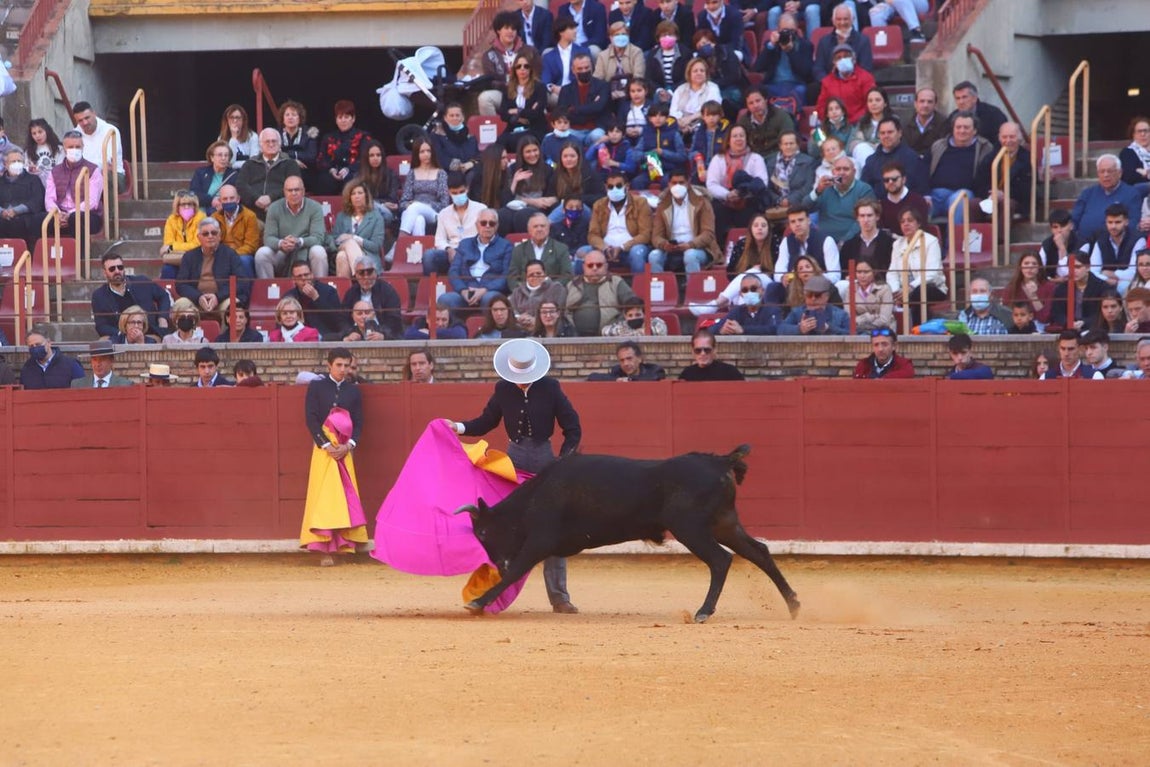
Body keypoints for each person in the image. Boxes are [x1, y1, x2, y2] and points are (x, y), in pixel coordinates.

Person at [448, 338, 583, 613]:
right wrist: (458, 427)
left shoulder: (550, 387)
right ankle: (489, 593)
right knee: (503, 529)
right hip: (513, 462)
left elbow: (573, 428)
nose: (520, 382)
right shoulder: (503, 388)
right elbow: (486, 421)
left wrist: (565, 461)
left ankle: (560, 598)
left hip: (545, 463)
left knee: (554, 528)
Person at [302, 347, 369, 566]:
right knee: (325, 498)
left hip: (344, 450)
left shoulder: (353, 391)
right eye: (338, 365)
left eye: (346, 366)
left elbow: (358, 422)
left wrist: (348, 445)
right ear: (328, 365)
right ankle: (324, 549)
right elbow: (311, 418)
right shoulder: (317, 387)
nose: (342, 370)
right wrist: (325, 444)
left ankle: (343, 544)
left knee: (344, 497)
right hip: (324, 451)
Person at [649, 169, 721, 275]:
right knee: (654, 256)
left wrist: (690, 244)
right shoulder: (663, 204)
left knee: (690, 255)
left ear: (688, 183)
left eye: (681, 183)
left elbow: (708, 234)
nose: (677, 186)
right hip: (671, 249)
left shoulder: (702, 202)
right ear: (669, 184)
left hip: (699, 248)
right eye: (674, 183)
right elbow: (656, 236)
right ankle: (659, 289)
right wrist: (665, 245)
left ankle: (692, 289)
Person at [254, 176, 327, 278]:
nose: (293, 193)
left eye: (297, 190)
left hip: (306, 251)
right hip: (282, 252)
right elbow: (268, 238)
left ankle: (321, 289)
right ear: (284, 192)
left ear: (303, 191)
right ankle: (267, 289)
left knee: (318, 251)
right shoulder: (274, 208)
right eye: (290, 190)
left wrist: (299, 241)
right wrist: (281, 243)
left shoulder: (315, 207)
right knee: (262, 253)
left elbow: (318, 238)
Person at [176, 217, 249, 316]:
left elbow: (241, 281)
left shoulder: (230, 254)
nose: (210, 236)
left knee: (233, 306)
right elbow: (181, 284)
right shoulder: (189, 256)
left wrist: (217, 297)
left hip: (222, 300)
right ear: (199, 237)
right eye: (205, 234)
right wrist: (198, 297)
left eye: (214, 233)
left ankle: (227, 332)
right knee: (180, 304)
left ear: (219, 236)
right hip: (196, 302)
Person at [928, 111, 993, 221]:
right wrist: (925, 194)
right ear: (953, 129)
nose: (962, 131)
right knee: (918, 207)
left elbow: (986, 176)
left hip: (964, 193)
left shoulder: (984, 148)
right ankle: (920, 238)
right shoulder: (938, 146)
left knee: (959, 201)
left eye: (966, 127)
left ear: (975, 131)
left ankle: (955, 239)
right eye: (958, 127)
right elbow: (923, 170)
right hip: (937, 194)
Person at [442, 210, 513, 311]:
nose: (487, 226)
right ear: (477, 225)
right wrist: (463, 290)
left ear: (497, 226)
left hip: (489, 291)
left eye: (491, 223)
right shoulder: (465, 244)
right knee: (445, 300)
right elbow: (454, 271)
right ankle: (457, 326)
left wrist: (484, 290)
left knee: (490, 299)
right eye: (483, 223)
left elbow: (507, 275)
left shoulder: (506, 246)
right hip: (467, 289)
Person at [887, 207, 946, 326]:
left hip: (932, 287)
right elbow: (892, 272)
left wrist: (910, 287)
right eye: (902, 221)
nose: (906, 224)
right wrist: (895, 291)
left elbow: (932, 273)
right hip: (903, 291)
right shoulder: (897, 244)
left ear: (918, 223)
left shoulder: (931, 241)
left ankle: (918, 330)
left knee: (918, 293)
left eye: (910, 220)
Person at [91, 251, 171, 339]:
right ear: (105, 273)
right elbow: (101, 326)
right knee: (102, 342)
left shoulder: (142, 282)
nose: (117, 271)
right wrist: (122, 334)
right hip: (120, 337)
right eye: (112, 269)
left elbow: (164, 296)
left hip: (148, 334)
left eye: (120, 267)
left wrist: (162, 317)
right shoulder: (99, 296)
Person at [705, 124, 768, 235]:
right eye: (735, 136)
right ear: (728, 140)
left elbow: (763, 182)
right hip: (724, 201)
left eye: (741, 136)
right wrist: (727, 194)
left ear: (746, 139)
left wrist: (741, 193)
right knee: (715, 210)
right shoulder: (718, 159)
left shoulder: (756, 158)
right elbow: (711, 184)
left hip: (748, 200)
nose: (738, 139)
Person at [587, 170, 651, 274]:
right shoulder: (598, 205)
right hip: (605, 249)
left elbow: (645, 235)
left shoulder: (640, 203)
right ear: (606, 188)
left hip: (631, 248)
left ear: (627, 186)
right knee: (582, 253)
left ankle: (639, 288)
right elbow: (592, 235)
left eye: (619, 186)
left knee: (637, 253)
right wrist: (604, 247)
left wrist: (622, 247)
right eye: (611, 187)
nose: (614, 189)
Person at [425, 171, 487, 276]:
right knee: (429, 256)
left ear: (467, 189)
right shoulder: (443, 214)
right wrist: (449, 249)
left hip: (473, 251)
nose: (458, 195)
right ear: (449, 192)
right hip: (452, 252)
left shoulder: (481, 209)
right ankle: (432, 288)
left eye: (461, 191)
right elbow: (439, 240)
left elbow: (485, 236)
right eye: (454, 193)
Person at [1070, 154, 1143, 243]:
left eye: (1110, 171)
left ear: (1120, 173)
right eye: (1102, 171)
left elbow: (1133, 222)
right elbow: (1074, 220)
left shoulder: (1131, 194)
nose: (1106, 175)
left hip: (1114, 244)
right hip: (1083, 243)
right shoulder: (1087, 193)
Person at [45, 130, 103, 239]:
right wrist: (58, 214)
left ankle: (80, 254)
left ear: (83, 147)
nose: (74, 150)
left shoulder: (93, 170)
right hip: (60, 213)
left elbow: (92, 201)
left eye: (78, 147)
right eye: (70, 147)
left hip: (87, 215)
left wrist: (70, 214)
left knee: (75, 219)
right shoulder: (55, 171)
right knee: (40, 219)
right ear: (64, 148)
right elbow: (49, 199)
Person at [235, 128, 302, 219]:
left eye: (274, 141)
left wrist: (271, 199)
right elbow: (241, 185)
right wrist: (256, 199)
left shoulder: (290, 164)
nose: (271, 144)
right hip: (252, 212)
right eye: (267, 142)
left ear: (279, 144)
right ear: (261, 145)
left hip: (281, 212)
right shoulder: (250, 164)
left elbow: (295, 188)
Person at [566, 248, 636, 335]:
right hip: (573, 336)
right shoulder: (572, 284)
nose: (594, 268)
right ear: (583, 267)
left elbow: (633, 305)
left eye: (599, 265)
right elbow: (563, 311)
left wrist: (617, 323)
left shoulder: (616, 282)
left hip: (609, 336)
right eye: (590, 265)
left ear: (606, 266)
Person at [808, 155, 874, 244]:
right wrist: (817, 190)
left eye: (846, 169)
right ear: (833, 172)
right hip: (825, 242)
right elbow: (806, 208)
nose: (842, 173)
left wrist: (844, 241)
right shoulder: (824, 188)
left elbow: (862, 221)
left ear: (854, 172)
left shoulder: (864, 189)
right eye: (838, 169)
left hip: (853, 242)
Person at [753, 12, 814, 108]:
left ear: (797, 30)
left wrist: (791, 52)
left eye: (792, 31)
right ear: (778, 30)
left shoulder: (805, 45)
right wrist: (771, 46)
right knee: (758, 92)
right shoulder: (772, 44)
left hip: (796, 84)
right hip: (774, 84)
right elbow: (758, 67)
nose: (789, 35)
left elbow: (806, 72)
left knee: (800, 92)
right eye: (785, 31)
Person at [500, 135, 559, 233]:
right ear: (521, 153)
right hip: (517, 210)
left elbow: (554, 194)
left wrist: (551, 199)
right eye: (528, 151)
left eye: (535, 150)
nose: (532, 154)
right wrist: (515, 181)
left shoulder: (548, 169)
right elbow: (507, 198)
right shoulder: (513, 169)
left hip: (541, 209)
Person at [329, 179, 386, 277]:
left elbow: (376, 246)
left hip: (368, 256)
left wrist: (355, 239)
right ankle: (363, 275)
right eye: (353, 194)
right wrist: (341, 240)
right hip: (344, 250)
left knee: (343, 255)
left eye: (360, 193)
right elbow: (333, 240)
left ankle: (345, 289)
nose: (357, 196)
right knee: (344, 250)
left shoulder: (376, 217)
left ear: (366, 196)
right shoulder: (341, 216)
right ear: (349, 197)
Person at [314, 100, 372, 196]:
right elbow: (321, 160)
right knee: (323, 181)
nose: (343, 120)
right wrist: (332, 170)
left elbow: (365, 159)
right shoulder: (328, 137)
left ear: (353, 119)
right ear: (336, 120)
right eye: (340, 117)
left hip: (354, 174)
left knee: (353, 181)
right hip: (333, 174)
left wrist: (347, 170)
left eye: (346, 117)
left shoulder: (363, 137)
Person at [860, 116, 929, 196]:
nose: (886, 136)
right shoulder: (871, 161)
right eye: (882, 133)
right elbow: (865, 188)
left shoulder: (911, 158)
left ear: (899, 133)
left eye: (890, 132)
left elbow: (918, 187)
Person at [1083, 204, 1146, 292]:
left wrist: (1110, 274)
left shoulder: (1138, 239)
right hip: (1106, 283)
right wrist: (1107, 280)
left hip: (1130, 283)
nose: (1113, 226)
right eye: (1110, 222)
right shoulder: (1101, 239)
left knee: (1123, 286)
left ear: (1126, 222)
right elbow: (1093, 271)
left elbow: (1134, 272)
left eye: (1117, 222)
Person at [477, 10, 527, 118]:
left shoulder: (528, 51)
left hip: (528, 91)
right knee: (484, 98)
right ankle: (496, 131)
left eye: (513, 29)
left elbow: (537, 73)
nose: (511, 32)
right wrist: (507, 84)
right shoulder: (489, 55)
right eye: (507, 28)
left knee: (553, 97)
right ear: (498, 30)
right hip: (504, 93)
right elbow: (491, 80)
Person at [339, 256, 403, 340]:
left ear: (376, 273)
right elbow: (343, 319)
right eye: (361, 273)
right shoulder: (351, 293)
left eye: (369, 272)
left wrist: (383, 335)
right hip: (356, 335)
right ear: (356, 276)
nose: (366, 277)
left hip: (381, 333)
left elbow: (394, 319)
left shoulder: (387, 291)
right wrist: (349, 334)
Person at [775, 205, 841, 284]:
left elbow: (835, 275)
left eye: (800, 220)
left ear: (809, 220)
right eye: (793, 222)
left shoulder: (826, 241)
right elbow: (778, 272)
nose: (797, 224)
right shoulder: (786, 241)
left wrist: (814, 276)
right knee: (773, 287)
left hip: (820, 287)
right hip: (793, 286)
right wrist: (782, 278)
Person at [557, 52, 611, 148]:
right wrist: (591, 107)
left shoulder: (603, 86)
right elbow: (562, 112)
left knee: (597, 136)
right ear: (573, 70)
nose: (584, 71)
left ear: (592, 67)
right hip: (574, 129)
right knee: (561, 136)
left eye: (587, 68)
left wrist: (574, 109)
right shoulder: (566, 90)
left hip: (596, 128)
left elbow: (599, 107)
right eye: (580, 69)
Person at [816, 44, 877, 125]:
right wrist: (833, 121)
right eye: (838, 58)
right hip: (835, 125)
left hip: (861, 123)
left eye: (846, 56)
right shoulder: (827, 82)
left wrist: (853, 121)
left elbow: (871, 103)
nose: (843, 59)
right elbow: (821, 107)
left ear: (854, 59)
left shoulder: (866, 78)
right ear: (834, 62)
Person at [509, 212, 573, 289]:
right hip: (525, 295)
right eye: (535, 226)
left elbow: (567, 275)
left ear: (548, 228)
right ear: (529, 230)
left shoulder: (561, 249)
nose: (539, 229)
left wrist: (550, 288)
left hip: (551, 294)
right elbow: (512, 278)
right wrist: (524, 290)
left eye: (542, 226)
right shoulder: (519, 250)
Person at [500, 52, 550, 149]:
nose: (522, 69)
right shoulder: (508, 88)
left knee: (519, 140)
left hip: (535, 128)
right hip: (514, 127)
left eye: (526, 66)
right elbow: (503, 113)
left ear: (531, 69)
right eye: (519, 66)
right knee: (499, 142)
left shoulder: (539, 87)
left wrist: (516, 111)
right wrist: (518, 117)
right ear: (514, 69)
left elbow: (536, 113)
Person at [71, 101, 125, 192]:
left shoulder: (111, 131)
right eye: (80, 120)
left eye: (87, 118)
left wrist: (82, 165)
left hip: (114, 176)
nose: (85, 123)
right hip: (84, 176)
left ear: (94, 114)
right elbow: (73, 160)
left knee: (104, 176)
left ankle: (108, 207)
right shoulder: (74, 134)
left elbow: (107, 161)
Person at [813, 3, 873, 84]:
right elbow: (818, 68)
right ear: (833, 21)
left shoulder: (863, 41)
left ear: (852, 20)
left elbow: (866, 68)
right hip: (830, 84)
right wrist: (829, 82)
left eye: (846, 19)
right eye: (839, 19)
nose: (842, 23)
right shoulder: (824, 41)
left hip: (855, 84)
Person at [285, 261, 345, 340]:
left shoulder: (329, 291)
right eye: (299, 276)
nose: (304, 278)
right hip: (299, 339)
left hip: (326, 337)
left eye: (306, 275)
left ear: (312, 275)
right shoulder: (289, 296)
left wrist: (316, 298)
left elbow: (337, 320)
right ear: (294, 279)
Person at [211, 184, 261, 276]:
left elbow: (251, 246)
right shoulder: (214, 217)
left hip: (242, 254)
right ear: (220, 201)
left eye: (231, 198)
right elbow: (212, 242)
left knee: (244, 261)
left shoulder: (250, 216)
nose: (228, 201)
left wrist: (232, 255)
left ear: (238, 199)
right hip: (221, 254)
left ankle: (246, 289)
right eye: (225, 199)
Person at [0, 147, 47, 246]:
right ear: (5, 164)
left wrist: (17, 210)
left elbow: (37, 200)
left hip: (26, 219)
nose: (17, 163)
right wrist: (2, 211)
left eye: (19, 161)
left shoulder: (33, 180)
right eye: (13, 161)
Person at [593, 21, 646, 109]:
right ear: (610, 38)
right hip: (609, 94)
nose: (620, 37)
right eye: (617, 35)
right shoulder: (603, 55)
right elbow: (597, 79)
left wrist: (627, 92)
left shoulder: (637, 52)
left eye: (623, 34)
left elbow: (638, 77)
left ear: (628, 36)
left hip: (631, 93)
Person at [1051, 251, 1108, 330]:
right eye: (1070, 267)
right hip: (1069, 330)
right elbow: (1057, 313)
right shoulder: (1062, 288)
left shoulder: (1102, 286)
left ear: (1088, 267)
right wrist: (1068, 323)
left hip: (1094, 329)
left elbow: (1102, 313)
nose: (1073, 271)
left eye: (1077, 267)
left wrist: (1084, 322)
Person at [840, 199, 893, 283]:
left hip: (882, 285)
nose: (866, 220)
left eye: (869, 215)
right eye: (862, 216)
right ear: (857, 218)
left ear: (877, 217)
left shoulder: (890, 243)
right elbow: (844, 271)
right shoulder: (849, 245)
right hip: (855, 286)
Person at [779, 274, 851, 334]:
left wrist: (829, 329)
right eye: (809, 295)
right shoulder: (797, 312)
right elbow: (780, 329)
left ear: (827, 297)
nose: (813, 299)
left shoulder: (840, 315)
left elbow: (852, 334)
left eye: (817, 295)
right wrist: (799, 329)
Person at [510, 259, 567, 334]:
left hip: (548, 332)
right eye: (531, 275)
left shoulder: (557, 289)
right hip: (521, 331)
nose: (535, 276)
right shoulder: (517, 292)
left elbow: (558, 313)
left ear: (545, 273)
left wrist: (536, 321)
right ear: (526, 276)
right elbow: (512, 311)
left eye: (538, 273)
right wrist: (520, 317)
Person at [542, 18, 590, 106]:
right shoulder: (548, 57)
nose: (575, 31)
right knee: (552, 97)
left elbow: (588, 77)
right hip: (557, 93)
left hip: (577, 91)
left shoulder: (584, 51)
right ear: (561, 32)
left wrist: (566, 91)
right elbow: (545, 81)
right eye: (571, 28)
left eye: (575, 28)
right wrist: (553, 88)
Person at [669, 58, 722, 139]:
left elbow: (712, 110)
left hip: (703, 124)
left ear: (706, 73)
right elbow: (673, 111)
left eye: (702, 71)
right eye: (695, 71)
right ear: (689, 73)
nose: (699, 73)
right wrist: (682, 123)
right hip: (681, 126)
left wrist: (689, 119)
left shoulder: (713, 88)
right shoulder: (680, 89)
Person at [765, 130, 818, 210]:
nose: (788, 146)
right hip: (776, 208)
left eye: (791, 143)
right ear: (780, 146)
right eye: (785, 144)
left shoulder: (808, 162)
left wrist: (789, 200)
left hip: (800, 206)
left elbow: (808, 186)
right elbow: (768, 187)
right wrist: (779, 200)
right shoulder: (771, 163)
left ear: (797, 145)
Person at [715, 273, 782, 336]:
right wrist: (721, 330)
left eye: (753, 289)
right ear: (741, 294)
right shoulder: (737, 311)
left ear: (762, 291)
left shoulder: (772, 309)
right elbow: (712, 329)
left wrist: (743, 330)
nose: (749, 293)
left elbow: (775, 329)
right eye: (745, 290)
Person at [737, 87, 794, 159]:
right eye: (751, 103)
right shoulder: (744, 120)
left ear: (766, 100)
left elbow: (789, 140)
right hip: (753, 158)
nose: (755, 106)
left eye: (758, 101)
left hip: (777, 155)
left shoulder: (781, 116)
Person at [160, 189, 206, 280]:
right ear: (177, 206)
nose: (186, 207)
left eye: (190, 204)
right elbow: (168, 242)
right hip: (177, 259)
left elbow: (198, 244)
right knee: (167, 270)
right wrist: (173, 247)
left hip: (196, 259)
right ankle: (167, 293)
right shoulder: (171, 219)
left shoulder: (201, 218)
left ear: (195, 206)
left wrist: (172, 248)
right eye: (183, 204)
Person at [356, 139, 401, 229]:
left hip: (386, 213)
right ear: (367, 158)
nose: (375, 158)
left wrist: (379, 205)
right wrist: (382, 204)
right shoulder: (359, 176)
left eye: (378, 155)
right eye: (372, 155)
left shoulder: (391, 174)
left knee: (372, 208)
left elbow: (392, 200)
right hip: (365, 212)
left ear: (382, 157)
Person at [948, 81, 1008, 148]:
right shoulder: (952, 117)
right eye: (957, 98)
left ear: (974, 98)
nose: (961, 102)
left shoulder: (993, 114)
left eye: (964, 97)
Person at [877, 160, 931, 233]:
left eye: (894, 179)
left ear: (904, 179)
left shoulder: (918, 201)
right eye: (886, 180)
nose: (890, 182)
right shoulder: (881, 205)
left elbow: (923, 230)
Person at [846, 87, 893, 168]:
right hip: (863, 157)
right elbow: (851, 145)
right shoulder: (862, 121)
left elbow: (889, 143)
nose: (873, 103)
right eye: (870, 101)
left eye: (877, 100)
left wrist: (864, 142)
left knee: (862, 147)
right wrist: (872, 144)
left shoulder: (892, 120)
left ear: (885, 103)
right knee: (860, 150)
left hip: (886, 157)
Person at [849, 257, 895, 332]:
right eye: (859, 272)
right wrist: (870, 317)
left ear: (874, 272)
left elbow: (884, 319)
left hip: (883, 330)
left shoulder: (885, 289)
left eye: (866, 272)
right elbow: (849, 318)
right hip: (858, 330)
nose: (862, 276)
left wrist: (867, 325)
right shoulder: (851, 288)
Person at [278, 100, 319, 185]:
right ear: (283, 118)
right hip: (281, 171)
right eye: (287, 115)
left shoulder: (310, 132)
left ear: (299, 118)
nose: (290, 117)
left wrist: (285, 154)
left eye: (294, 115)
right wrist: (293, 160)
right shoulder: (276, 134)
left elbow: (311, 157)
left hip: (305, 172)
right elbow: (274, 155)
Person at [678, 329, 744, 380]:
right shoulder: (687, 374)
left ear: (714, 350)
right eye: (698, 350)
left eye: (707, 350)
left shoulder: (730, 373)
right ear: (693, 352)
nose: (702, 353)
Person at [588, 340, 667, 381]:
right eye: (622, 360)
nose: (625, 364)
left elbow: (650, 379)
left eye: (629, 359)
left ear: (639, 358)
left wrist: (628, 380)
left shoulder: (654, 370)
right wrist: (616, 380)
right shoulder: (617, 371)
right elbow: (592, 377)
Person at [1039, 208, 1083, 280]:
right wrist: (1052, 280)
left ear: (1071, 226)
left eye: (1063, 226)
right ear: (1051, 229)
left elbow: (1068, 274)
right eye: (1055, 227)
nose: (1059, 230)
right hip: (1051, 285)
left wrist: (1061, 248)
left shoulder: (1082, 244)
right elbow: (1039, 272)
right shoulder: (1046, 244)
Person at [905, 87, 948, 158]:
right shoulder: (905, 124)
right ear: (915, 104)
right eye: (922, 101)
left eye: (930, 102)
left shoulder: (944, 124)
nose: (925, 105)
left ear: (935, 104)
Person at [601, 295, 667, 336]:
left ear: (645, 314)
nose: (634, 318)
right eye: (630, 315)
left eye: (637, 315)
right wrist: (637, 332)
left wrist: (629, 334)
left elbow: (660, 329)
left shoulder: (654, 321)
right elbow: (604, 331)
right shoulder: (623, 325)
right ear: (625, 316)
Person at [24, 118, 63, 184]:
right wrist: (30, 169)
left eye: (40, 132)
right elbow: (25, 168)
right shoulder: (28, 151)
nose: (37, 136)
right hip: (36, 186)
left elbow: (61, 169)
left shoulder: (59, 148)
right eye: (34, 133)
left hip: (54, 185)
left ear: (47, 131)